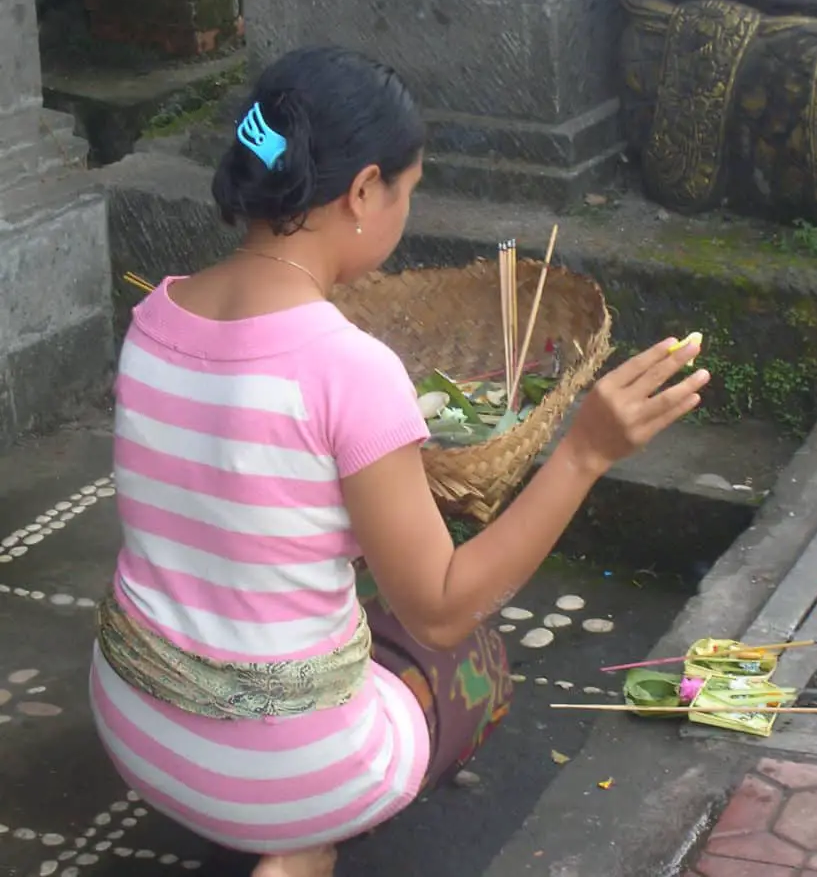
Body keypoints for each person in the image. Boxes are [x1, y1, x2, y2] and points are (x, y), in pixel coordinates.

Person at [88, 46, 711, 877]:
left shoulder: (154, 318)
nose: (402, 213)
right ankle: (306, 840)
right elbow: (444, 610)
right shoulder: (350, 368)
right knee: (468, 654)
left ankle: (269, 808)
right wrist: (585, 452)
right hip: (291, 773)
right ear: (361, 191)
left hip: (135, 727)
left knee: (342, 599)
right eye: (406, 194)